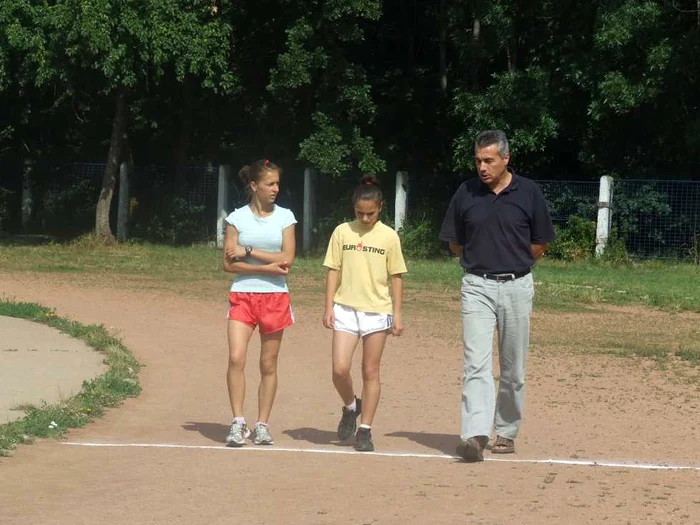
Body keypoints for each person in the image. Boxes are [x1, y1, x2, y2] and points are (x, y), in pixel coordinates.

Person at [439, 130, 556, 462]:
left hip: (518, 285)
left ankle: (505, 431)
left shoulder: (529, 192)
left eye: (489, 160)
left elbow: (540, 242)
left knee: (512, 367)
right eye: (478, 160)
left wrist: (514, 264)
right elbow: (455, 243)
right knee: (475, 363)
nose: (482, 167)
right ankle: (475, 436)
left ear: (506, 159)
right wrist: (484, 264)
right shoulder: (466, 192)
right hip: (477, 286)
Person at [322, 175, 407, 452]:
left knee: (370, 370)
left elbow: (396, 276)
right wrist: (329, 306)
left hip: (377, 311)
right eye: (360, 212)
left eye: (370, 213)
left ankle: (365, 429)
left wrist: (397, 313)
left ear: (380, 208)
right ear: (353, 208)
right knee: (339, 369)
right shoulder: (342, 232)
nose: (365, 218)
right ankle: (350, 406)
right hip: (345, 308)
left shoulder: (389, 236)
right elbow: (332, 269)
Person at [222, 159, 297, 447]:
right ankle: (238, 422)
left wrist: (249, 251)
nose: (276, 188)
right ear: (254, 186)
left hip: (275, 297)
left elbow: (288, 259)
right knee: (236, 357)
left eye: (277, 183)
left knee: (268, 363)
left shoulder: (286, 218)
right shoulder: (237, 219)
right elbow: (228, 266)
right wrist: (266, 266)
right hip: (242, 294)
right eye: (270, 183)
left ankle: (262, 424)